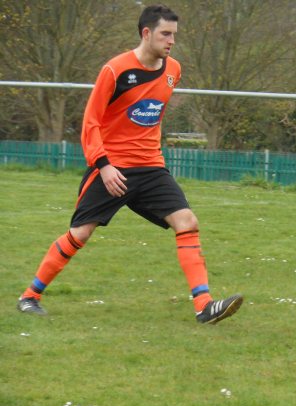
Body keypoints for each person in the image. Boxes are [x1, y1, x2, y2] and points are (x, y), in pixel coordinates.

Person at [17, 5, 243, 324]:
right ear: (146, 33)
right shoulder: (116, 70)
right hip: (111, 168)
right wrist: (105, 165)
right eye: (166, 34)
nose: (171, 41)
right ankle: (30, 296)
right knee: (80, 233)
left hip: (151, 168)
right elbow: (90, 123)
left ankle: (204, 306)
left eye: (175, 35)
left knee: (187, 221)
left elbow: (149, 118)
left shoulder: (173, 69)